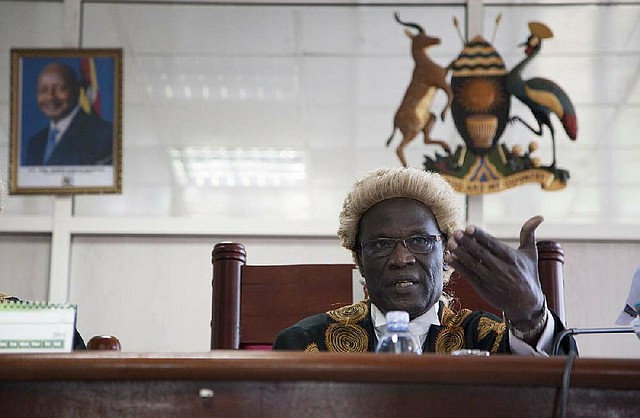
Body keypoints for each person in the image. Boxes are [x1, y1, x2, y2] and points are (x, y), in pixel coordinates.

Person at [273, 167, 575, 355]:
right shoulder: (306, 344)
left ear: (445, 254)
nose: (401, 258)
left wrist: (531, 317)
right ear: (359, 260)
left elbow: (562, 395)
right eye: (381, 244)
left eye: (419, 241)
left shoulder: (488, 339)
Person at [22, 62, 113, 166]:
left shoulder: (103, 134)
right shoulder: (35, 143)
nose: (50, 97)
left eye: (60, 88)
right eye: (43, 90)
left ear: (77, 91)